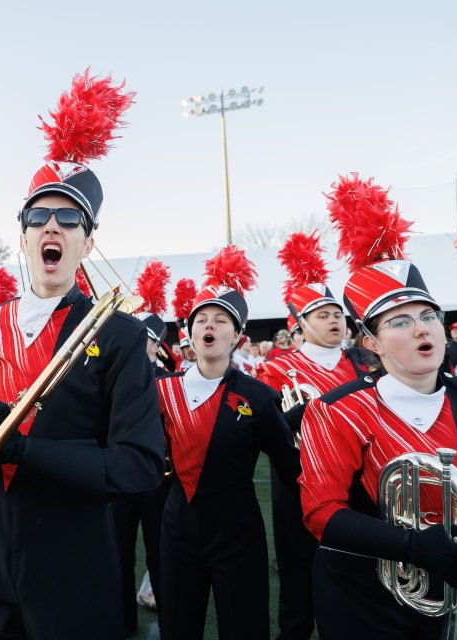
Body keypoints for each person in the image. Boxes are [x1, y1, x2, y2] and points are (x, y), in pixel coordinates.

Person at [0, 70, 164, 640]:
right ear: (23, 237)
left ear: (87, 242)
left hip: (74, 554)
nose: (53, 226)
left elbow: (139, 466)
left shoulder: (119, 334)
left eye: (69, 218)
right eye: (39, 217)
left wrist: (26, 450)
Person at [300, 173, 457, 638]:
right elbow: (320, 512)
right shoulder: (338, 410)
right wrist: (410, 546)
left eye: (428, 315)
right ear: (371, 343)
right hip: (369, 607)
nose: (421, 328)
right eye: (399, 321)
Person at [155, 246, 300, 639]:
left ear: (237, 336)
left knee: (244, 628)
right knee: (177, 627)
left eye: (221, 321)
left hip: (238, 532)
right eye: (202, 319)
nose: (210, 326)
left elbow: (290, 468)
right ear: (189, 332)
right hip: (177, 529)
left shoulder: (258, 396)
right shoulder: (160, 391)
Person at [256, 231, 370, 640]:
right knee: (297, 576)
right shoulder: (275, 368)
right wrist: (296, 417)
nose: (335, 320)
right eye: (322, 315)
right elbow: (267, 432)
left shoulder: (363, 363)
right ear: (301, 323)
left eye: (337, 313)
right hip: (297, 483)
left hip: (357, 483)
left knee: (355, 575)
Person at [114, 313, 171, 637]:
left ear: (156, 346)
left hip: (155, 480)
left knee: (160, 555)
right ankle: (122, 622)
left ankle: (170, 620)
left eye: (145, 338)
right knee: (118, 554)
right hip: (120, 480)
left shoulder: (169, 379)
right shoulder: (116, 375)